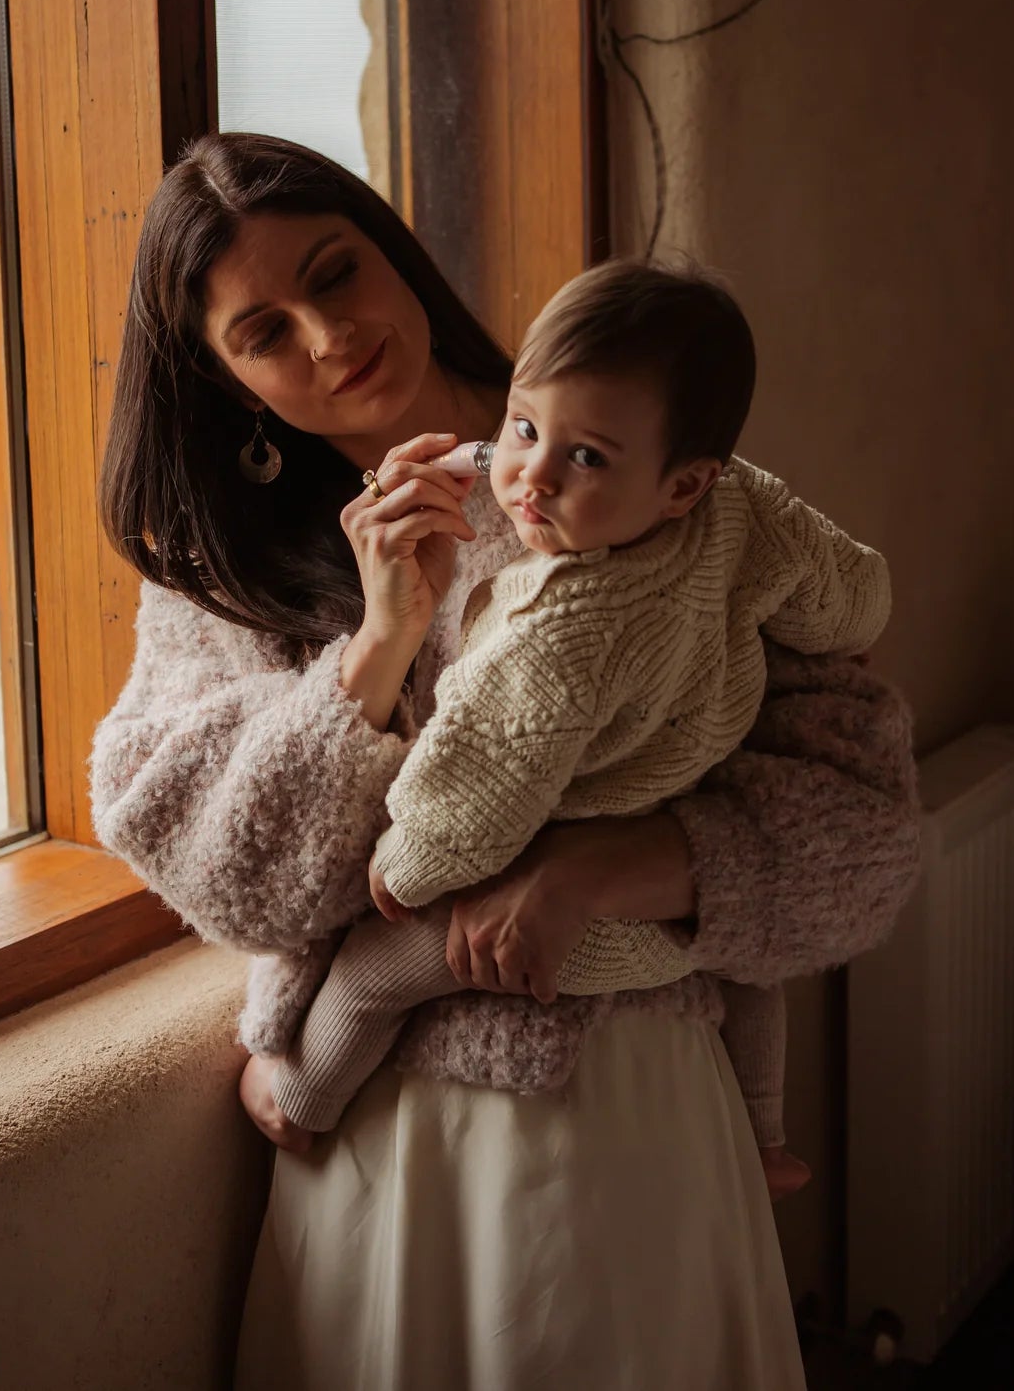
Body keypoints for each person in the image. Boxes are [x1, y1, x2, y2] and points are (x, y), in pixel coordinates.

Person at [90, 132, 919, 1391]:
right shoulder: (230, 581)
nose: (325, 336)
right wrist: (378, 644)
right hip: (387, 1150)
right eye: (263, 331)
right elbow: (235, 884)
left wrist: (616, 866)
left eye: (337, 274)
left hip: (638, 1115)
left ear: (397, 258)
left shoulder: (652, 482)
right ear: (228, 383)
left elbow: (866, 828)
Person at [241, 260, 889, 1210]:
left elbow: (487, 768)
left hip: (562, 928)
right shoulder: (743, 506)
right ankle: (763, 1133)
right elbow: (853, 594)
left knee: (375, 975)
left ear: (681, 485)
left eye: (585, 459)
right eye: (524, 428)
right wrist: (851, 624)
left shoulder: (566, 627)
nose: (531, 480)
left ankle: (298, 1096)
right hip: (675, 836)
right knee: (748, 963)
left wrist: (409, 864)